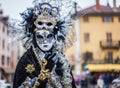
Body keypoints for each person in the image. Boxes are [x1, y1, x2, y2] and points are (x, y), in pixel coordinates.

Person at [13, 0, 76, 88]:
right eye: (40, 37)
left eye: (49, 37)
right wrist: (44, 74)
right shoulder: (26, 60)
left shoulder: (61, 60)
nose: (45, 42)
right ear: (34, 37)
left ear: (55, 38)